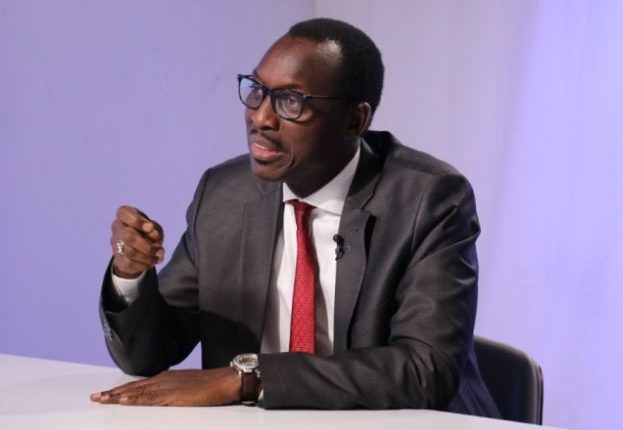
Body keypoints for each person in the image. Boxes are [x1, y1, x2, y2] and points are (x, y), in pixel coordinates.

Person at [90, 17, 500, 417]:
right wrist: (130, 275)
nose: (260, 117)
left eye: (291, 101)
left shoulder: (429, 199)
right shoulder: (223, 194)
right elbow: (147, 354)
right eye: (257, 91)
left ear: (354, 121)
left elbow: (425, 369)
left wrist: (247, 379)